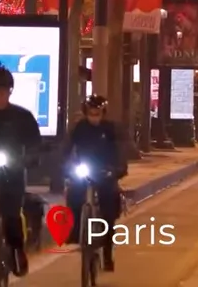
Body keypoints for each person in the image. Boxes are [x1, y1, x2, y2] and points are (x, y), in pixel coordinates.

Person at [0, 67, 42, 276]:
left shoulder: (22, 117)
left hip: (12, 172)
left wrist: (30, 159)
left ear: (10, 92)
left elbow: (35, 144)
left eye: (3, 92)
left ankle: (16, 250)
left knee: (12, 213)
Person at [62, 96, 126, 271]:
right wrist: (65, 168)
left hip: (105, 171)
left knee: (109, 206)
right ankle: (76, 231)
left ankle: (107, 252)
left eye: (97, 113)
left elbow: (120, 151)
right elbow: (67, 150)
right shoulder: (79, 129)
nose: (94, 116)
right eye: (91, 113)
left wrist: (117, 169)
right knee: (74, 195)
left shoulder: (111, 129)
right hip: (84, 170)